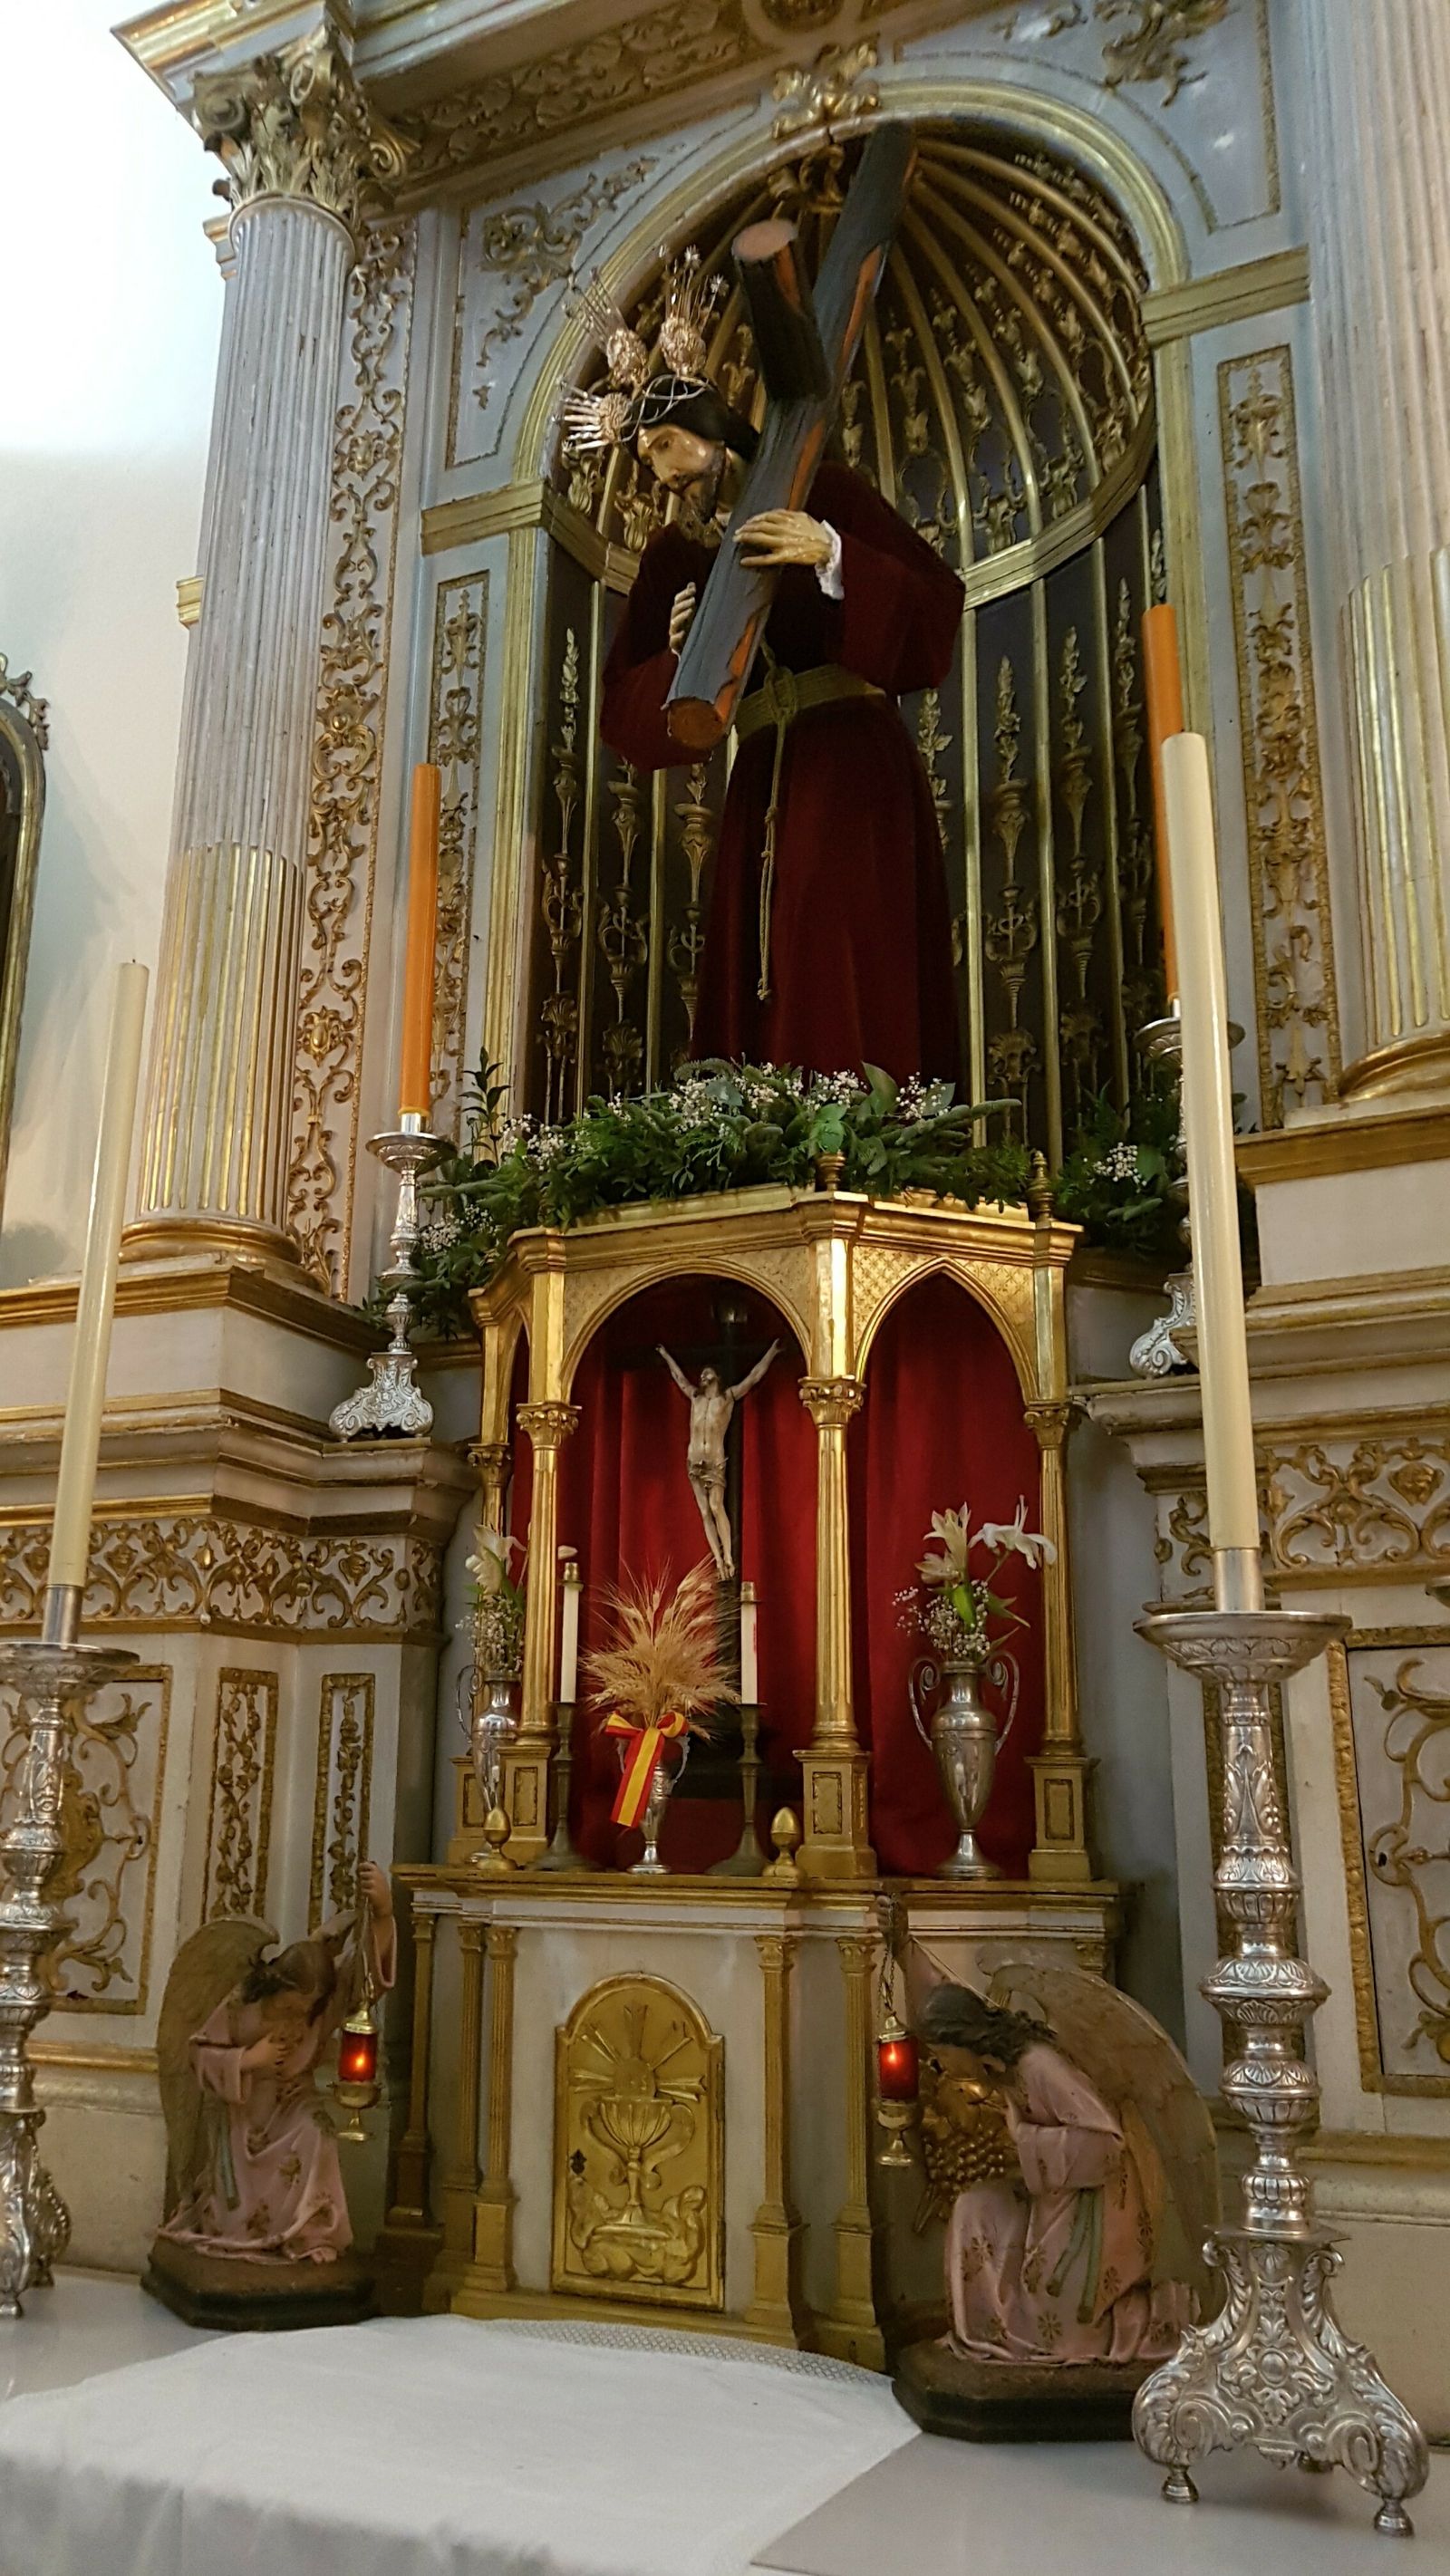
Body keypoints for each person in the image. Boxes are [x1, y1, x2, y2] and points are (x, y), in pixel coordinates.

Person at [568, 260, 965, 1082]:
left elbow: (936, 611)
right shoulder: (674, 557)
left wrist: (835, 556)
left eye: (669, 444)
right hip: (761, 785)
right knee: (767, 943)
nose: (661, 471)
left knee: (828, 925)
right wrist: (679, 656)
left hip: (852, 767)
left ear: (713, 429)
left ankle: (861, 1135)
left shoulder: (828, 495)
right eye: (646, 459)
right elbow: (622, 712)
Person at [916, 1978, 1190, 2366]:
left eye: (941, 2052)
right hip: (1054, 2192)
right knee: (973, 2209)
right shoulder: (1002, 2070)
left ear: (962, 2040)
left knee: (1062, 2328)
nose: (942, 2064)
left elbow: (1107, 2144)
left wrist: (1025, 2144)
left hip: (1096, 2207)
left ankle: (1163, 2313)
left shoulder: (1039, 2065)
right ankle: (987, 2330)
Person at [160, 1861, 395, 2264]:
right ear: (276, 1986)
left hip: (291, 2104)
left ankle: (309, 2234)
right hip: (243, 2115)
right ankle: (236, 2227)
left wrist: (384, 1914)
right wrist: (249, 2059)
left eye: (305, 2009)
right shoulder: (241, 2005)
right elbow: (198, 2054)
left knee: (317, 2133)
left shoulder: (318, 2009)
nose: (295, 2017)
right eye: (288, 2006)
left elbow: (365, 1976)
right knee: (235, 2197)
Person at [657, 1336, 781, 1577]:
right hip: (694, 1461)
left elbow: (754, 1377)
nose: (702, 1376)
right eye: (702, 1373)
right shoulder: (696, 1398)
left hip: (714, 1461)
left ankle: (728, 1557)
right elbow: (679, 1379)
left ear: (717, 1375)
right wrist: (666, 1357)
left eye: (707, 1372)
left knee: (716, 1506)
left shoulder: (727, 1398)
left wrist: (772, 1353)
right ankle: (717, 1559)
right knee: (704, 1512)